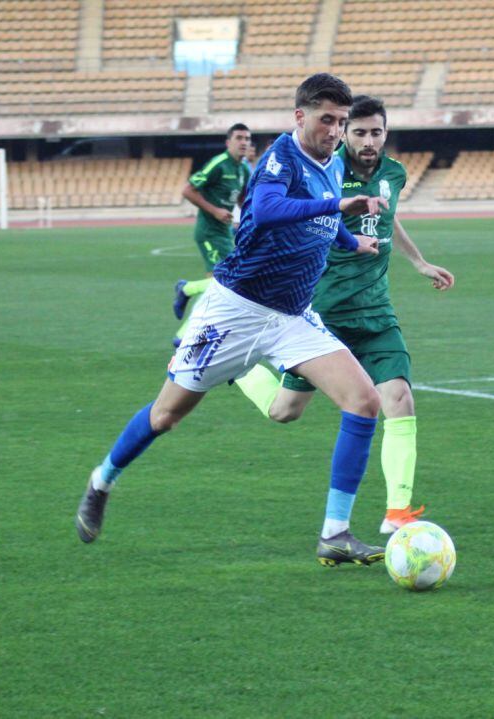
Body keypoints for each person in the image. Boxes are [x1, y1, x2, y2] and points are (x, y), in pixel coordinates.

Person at [75, 73, 390, 567]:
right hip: (235, 310)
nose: (335, 131)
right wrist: (337, 204)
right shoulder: (281, 158)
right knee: (166, 416)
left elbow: (324, 223)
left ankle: (335, 534)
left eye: (341, 121)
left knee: (364, 401)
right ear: (300, 116)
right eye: (326, 119)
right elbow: (267, 209)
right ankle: (102, 480)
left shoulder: (332, 163)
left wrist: (353, 241)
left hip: (293, 316)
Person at [233, 95, 455, 534]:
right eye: (359, 132)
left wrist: (418, 261)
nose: (368, 141)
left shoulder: (394, 173)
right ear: (344, 133)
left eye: (376, 132)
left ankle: (396, 514)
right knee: (285, 411)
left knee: (399, 398)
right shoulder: (324, 171)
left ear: (386, 133)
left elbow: (389, 218)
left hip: (375, 312)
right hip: (323, 314)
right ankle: (237, 366)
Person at [171, 123, 253, 346]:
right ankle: (186, 292)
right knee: (225, 284)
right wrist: (215, 210)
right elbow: (188, 190)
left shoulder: (243, 169)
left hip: (224, 232)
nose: (244, 142)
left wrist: (248, 221)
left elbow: (242, 199)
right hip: (209, 232)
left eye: (247, 138)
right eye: (239, 138)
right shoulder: (219, 164)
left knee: (221, 286)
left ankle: (184, 333)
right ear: (228, 142)